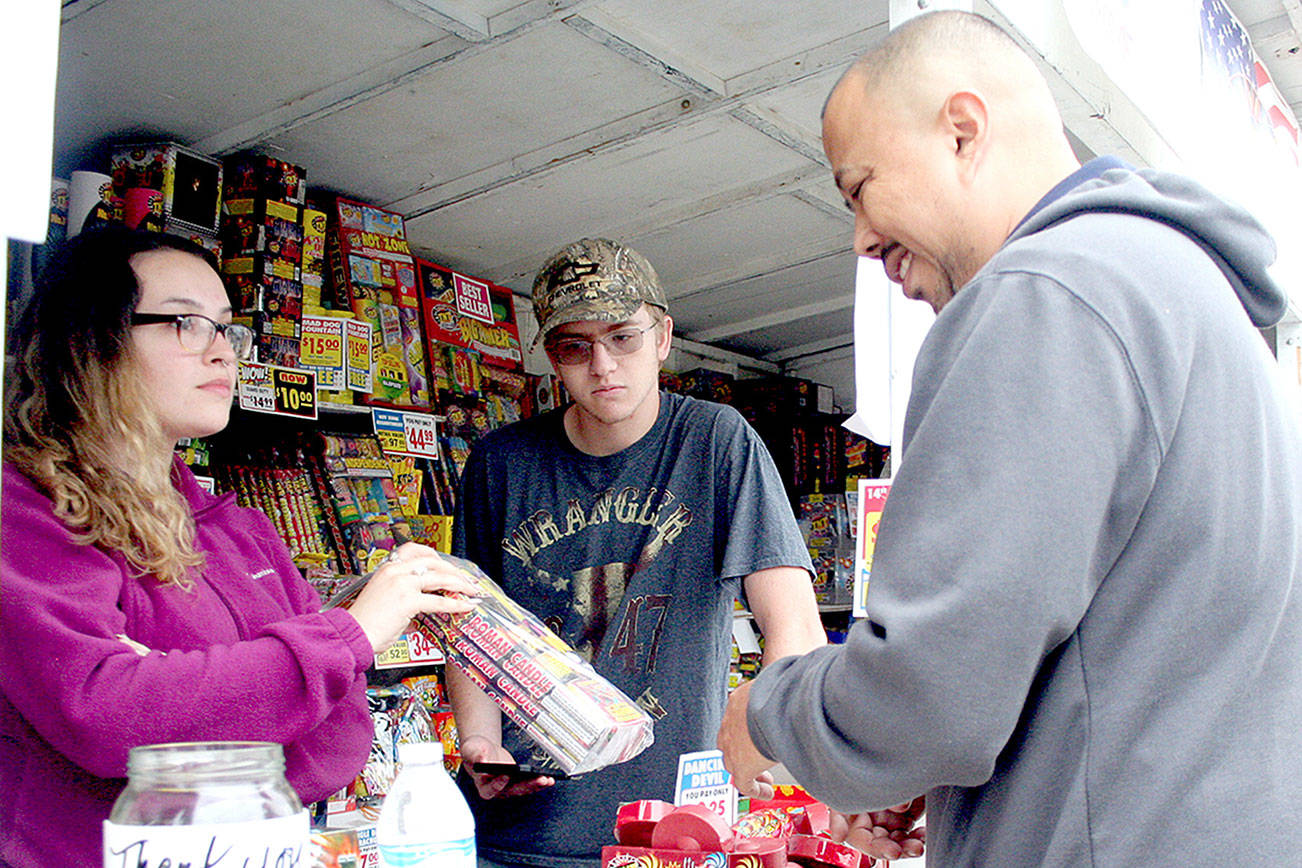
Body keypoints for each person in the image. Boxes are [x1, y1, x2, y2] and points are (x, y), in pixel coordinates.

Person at [718, 10, 1302, 866]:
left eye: (860, 186)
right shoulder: (1190, 298)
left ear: (963, 130)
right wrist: (967, 784)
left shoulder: (1044, 294)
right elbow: (1133, 663)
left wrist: (769, 711)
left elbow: (933, 693)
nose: (860, 238)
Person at [0, 226, 482, 868]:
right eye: (185, 323)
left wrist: (193, 695)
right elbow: (104, 713)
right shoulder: (25, 509)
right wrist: (338, 642)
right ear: (93, 342)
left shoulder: (243, 532)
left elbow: (341, 741)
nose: (222, 353)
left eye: (227, 328)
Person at [448, 237, 827, 867]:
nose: (602, 365)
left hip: (670, 831)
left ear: (663, 337)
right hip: (520, 831)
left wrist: (764, 726)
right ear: (551, 358)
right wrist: (480, 740)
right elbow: (468, 624)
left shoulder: (716, 441)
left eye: (623, 337)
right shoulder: (499, 463)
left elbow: (796, 630)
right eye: (576, 345)